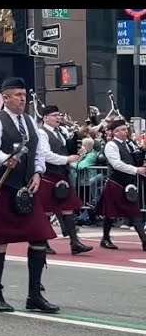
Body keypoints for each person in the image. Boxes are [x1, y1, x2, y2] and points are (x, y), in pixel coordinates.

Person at [0, 77, 59, 313]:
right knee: (0, 242)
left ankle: (34, 296)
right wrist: (4, 158)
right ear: (5, 98)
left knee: (39, 238)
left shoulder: (30, 122)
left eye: (24, 95)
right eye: (18, 95)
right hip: (4, 186)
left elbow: (39, 152)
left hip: (28, 188)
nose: (23, 99)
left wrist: (38, 172)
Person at [36, 105, 92, 254]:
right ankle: (43, 242)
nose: (58, 118)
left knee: (68, 209)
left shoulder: (62, 132)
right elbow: (45, 154)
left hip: (63, 175)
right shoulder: (42, 133)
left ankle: (75, 242)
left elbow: (67, 149)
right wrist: (66, 159)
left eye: (59, 115)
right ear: (45, 117)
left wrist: (79, 152)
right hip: (49, 176)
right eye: (55, 115)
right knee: (46, 212)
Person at [95, 118, 146, 249]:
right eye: (123, 129)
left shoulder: (130, 144)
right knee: (110, 214)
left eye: (126, 129)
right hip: (116, 183)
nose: (126, 131)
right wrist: (136, 170)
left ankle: (144, 241)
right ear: (115, 132)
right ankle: (105, 239)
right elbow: (116, 164)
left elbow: (135, 159)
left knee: (135, 213)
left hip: (129, 184)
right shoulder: (111, 145)